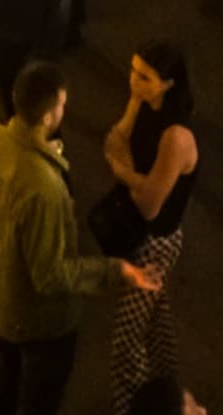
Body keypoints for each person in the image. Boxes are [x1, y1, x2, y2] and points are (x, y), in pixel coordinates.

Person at [0, 62, 152, 415]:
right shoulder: (43, 189)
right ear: (49, 115)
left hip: (2, 299)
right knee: (39, 398)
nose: (64, 110)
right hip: (40, 322)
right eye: (62, 104)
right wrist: (116, 270)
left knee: (5, 378)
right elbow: (50, 275)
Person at [91, 43, 200, 404]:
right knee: (154, 321)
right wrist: (138, 177)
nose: (134, 82)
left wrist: (123, 171)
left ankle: (137, 406)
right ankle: (170, 390)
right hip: (139, 231)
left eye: (145, 77)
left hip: (155, 244)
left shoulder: (176, 137)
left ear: (168, 84)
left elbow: (150, 206)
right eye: (133, 71)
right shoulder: (144, 103)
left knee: (126, 342)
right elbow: (116, 137)